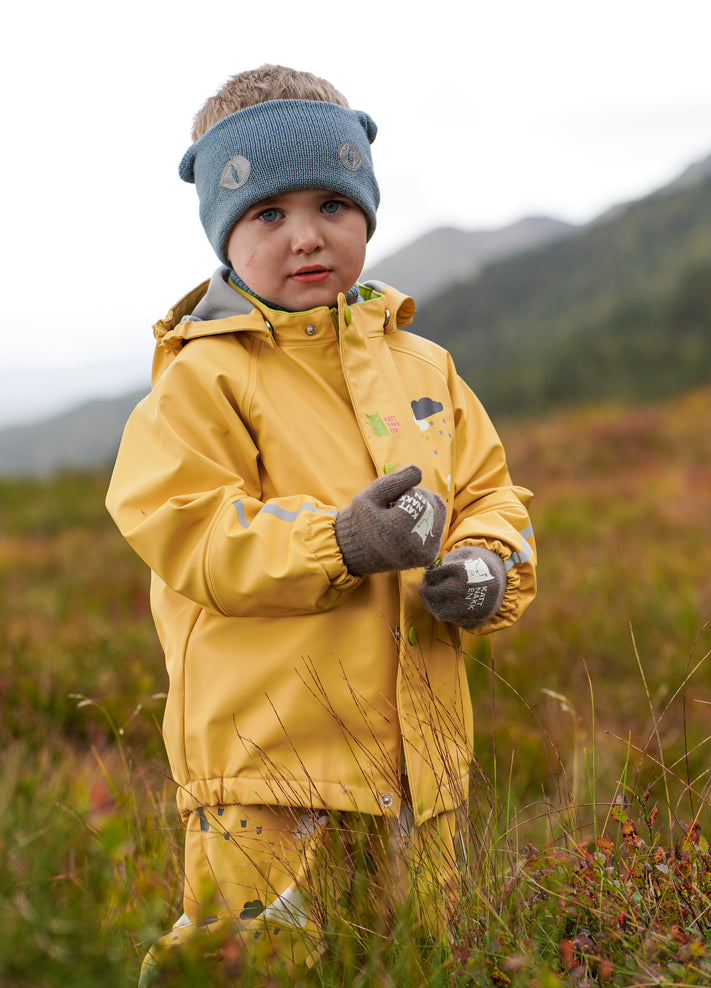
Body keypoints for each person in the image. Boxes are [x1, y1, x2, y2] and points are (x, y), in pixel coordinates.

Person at [106, 63, 537, 984]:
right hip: (267, 774)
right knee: (247, 969)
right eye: (269, 214)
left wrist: (485, 564)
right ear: (224, 235)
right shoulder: (201, 381)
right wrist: (339, 543)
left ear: (368, 214)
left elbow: (495, 495)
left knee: (410, 966)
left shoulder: (427, 365)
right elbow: (186, 528)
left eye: (333, 206)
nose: (307, 236)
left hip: (422, 774)